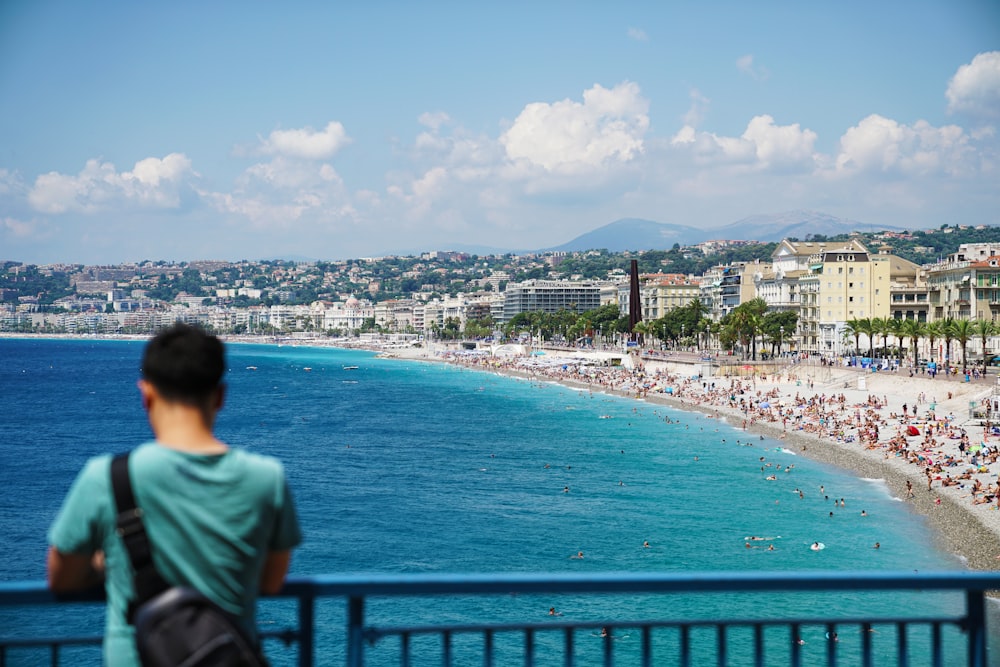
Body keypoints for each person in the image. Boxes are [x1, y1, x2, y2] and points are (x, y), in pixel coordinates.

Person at [47, 323, 302, 666]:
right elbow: (271, 582)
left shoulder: (107, 477)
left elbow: (61, 577)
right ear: (221, 396)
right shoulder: (267, 478)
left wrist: (104, 560)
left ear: (146, 394)